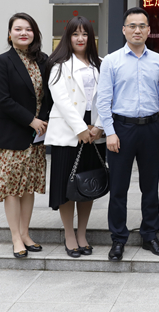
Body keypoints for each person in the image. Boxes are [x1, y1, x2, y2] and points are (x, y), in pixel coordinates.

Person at [96, 7, 159, 261]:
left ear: (149, 30)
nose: (137, 30)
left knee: (150, 186)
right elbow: (103, 100)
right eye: (132, 26)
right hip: (121, 129)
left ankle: (150, 235)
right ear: (124, 30)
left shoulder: (158, 60)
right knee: (118, 188)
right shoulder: (111, 61)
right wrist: (110, 132)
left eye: (142, 26)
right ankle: (118, 239)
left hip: (151, 128)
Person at [0, 12, 52, 258]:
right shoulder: (2, 61)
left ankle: (25, 233)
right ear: (10, 33)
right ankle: (15, 236)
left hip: (36, 136)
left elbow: (49, 95)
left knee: (28, 187)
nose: (23, 33)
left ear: (35, 33)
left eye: (28, 29)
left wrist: (42, 120)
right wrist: (31, 120)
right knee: (12, 189)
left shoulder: (43, 61)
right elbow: (2, 99)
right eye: (18, 29)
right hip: (13, 135)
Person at [44, 15, 105, 258]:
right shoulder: (58, 65)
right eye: (75, 34)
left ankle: (82, 234)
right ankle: (69, 235)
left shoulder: (101, 64)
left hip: (94, 133)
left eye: (85, 34)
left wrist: (98, 127)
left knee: (88, 184)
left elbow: (108, 98)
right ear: (68, 37)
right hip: (69, 134)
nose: (80, 38)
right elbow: (61, 100)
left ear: (91, 37)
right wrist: (80, 129)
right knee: (67, 187)